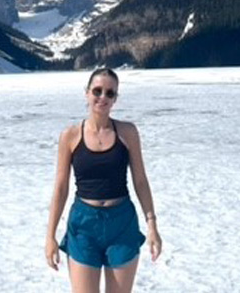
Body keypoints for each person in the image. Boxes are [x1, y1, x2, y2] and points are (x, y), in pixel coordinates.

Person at [46, 68, 162, 292]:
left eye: (110, 93)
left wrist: (152, 225)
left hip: (121, 223)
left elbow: (140, 180)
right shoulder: (70, 136)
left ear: (116, 98)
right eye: (97, 91)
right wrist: (50, 236)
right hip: (83, 225)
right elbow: (61, 188)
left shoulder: (127, 133)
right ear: (87, 93)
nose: (103, 97)